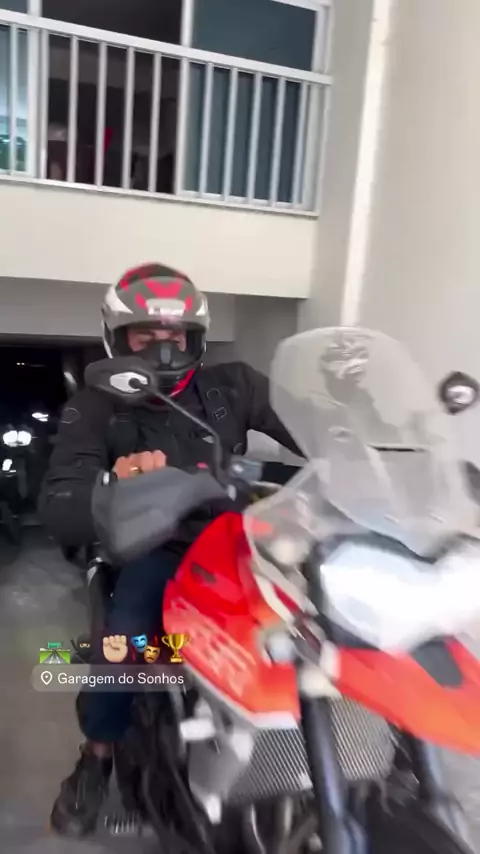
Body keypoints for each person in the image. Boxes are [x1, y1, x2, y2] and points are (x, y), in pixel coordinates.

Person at [39, 262, 300, 839]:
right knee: (125, 644)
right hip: (156, 549)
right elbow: (59, 501)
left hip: (240, 542)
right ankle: (98, 756)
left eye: (175, 336)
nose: (163, 349)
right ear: (118, 338)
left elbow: (311, 425)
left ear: (195, 338)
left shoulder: (235, 386)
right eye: (145, 336)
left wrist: (381, 445)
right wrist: (113, 485)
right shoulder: (96, 406)